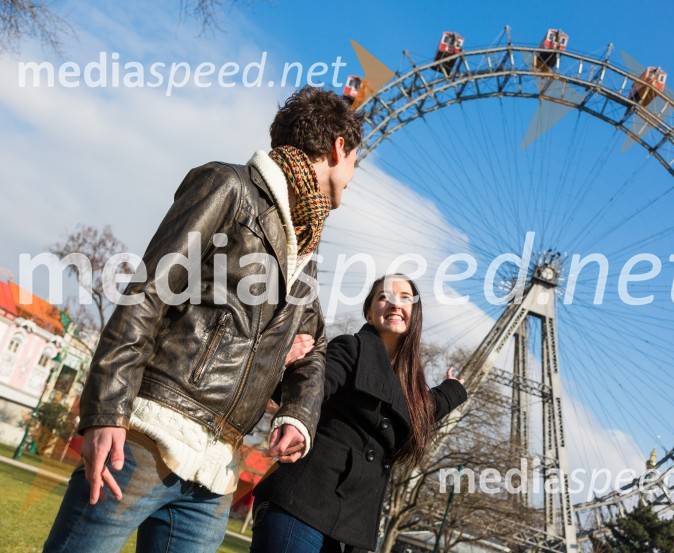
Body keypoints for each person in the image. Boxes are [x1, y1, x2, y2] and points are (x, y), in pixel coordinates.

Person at [44, 86, 365, 553]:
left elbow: (312, 345)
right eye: (356, 161)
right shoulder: (229, 187)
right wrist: (106, 410)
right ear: (339, 148)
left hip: (215, 469)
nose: (354, 177)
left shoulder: (306, 248)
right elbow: (147, 294)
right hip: (147, 438)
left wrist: (297, 412)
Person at [250, 275, 468, 552]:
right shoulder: (350, 348)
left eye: (405, 298)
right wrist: (288, 384)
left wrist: (453, 390)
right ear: (369, 312)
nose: (394, 303)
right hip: (301, 502)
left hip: (347, 526)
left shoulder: (406, 388)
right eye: (383, 296)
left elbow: (418, 411)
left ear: (415, 316)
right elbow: (315, 387)